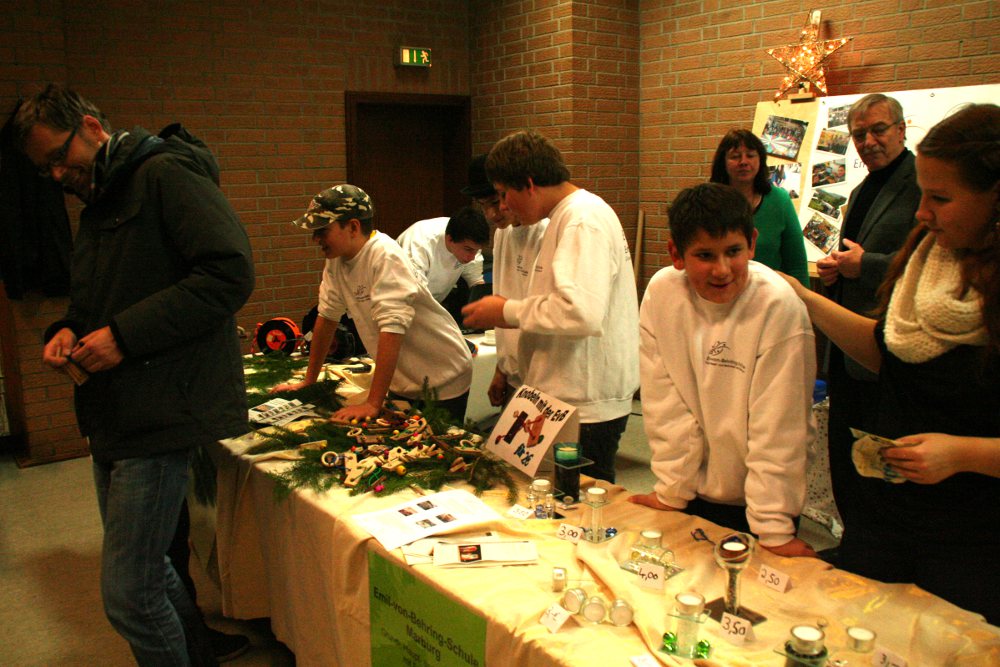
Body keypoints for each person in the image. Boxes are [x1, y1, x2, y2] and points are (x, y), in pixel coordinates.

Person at [16, 84, 255, 665]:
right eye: (45, 167)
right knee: (149, 571)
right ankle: (196, 650)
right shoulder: (101, 196)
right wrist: (67, 329)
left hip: (159, 410)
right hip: (115, 412)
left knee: (129, 594)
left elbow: (228, 274)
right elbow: (98, 297)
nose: (56, 174)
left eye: (58, 156)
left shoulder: (165, 175)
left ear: (92, 127)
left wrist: (123, 336)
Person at [781, 103, 1000, 622]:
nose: (921, 213)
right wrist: (804, 298)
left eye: (940, 198)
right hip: (889, 511)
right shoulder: (929, 255)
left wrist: (964, 454)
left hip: (972, 532)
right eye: (921, 193)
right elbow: (890, 353)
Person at [627, 183, 817, 558]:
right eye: (705, 255)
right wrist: (672, 491)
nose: (722, 270)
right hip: (693, 492)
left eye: (733, 251)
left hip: (761, 501)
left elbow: (780, 427)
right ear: (676, 254)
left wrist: (774, 526)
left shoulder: (778, 305)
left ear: (752, 243)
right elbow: (665, 405)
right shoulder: (663, 294)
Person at [462, 130, 639, 483]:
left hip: (586, 401)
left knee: (578, 500)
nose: (503, 207)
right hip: (555, 392)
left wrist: (506, 311)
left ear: (529, 184)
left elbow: (581, 313)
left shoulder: (584, 219)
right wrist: (507, 365)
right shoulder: (565, 216)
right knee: (539, 492)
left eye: (503, 195)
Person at [272, 184, 472, 424]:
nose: (316, 238)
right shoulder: (337, 260)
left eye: (323, 230)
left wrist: (373, 403)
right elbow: (326, 317)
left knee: (432, 444)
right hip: (403, 379)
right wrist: (309, 381)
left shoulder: (385, 256)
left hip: (442, 376)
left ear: (353, 227)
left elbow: (392, 331)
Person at [815, 94, 921, 537]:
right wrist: (835, 270)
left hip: (888, 351)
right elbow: (853, 257)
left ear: (901, 129)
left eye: (879, 130)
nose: (869, 141)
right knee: (844, 455)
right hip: (846, 352)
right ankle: (854, 541)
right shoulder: (860, 190)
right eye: (859, 134)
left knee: (881, 465)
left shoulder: (921, 183)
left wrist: (867, 265)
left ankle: (876, 549)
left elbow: (926, 261)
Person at [461, 153, 549, 408]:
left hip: (543, 380)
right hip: (514, 375)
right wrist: (502, 369)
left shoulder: (544, 231)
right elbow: (504, 300)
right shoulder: (503, 234)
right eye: (483, 205)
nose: (491, 214)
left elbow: (545, 314)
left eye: (495, 202)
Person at [709, 128, 810, 286]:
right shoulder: (710, 203)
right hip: (721, 291)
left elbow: (797, 265)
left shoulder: (780, 200)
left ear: (761, 160)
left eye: (750, 155)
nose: (743, 162)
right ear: (723, 163)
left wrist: (803, 298)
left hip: (771, 294)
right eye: (735, 156)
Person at [396, 206, 489, 322]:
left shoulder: (470, 240)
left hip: (433, 306)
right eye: (468, 250)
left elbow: (476, 283)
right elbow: (416, 296)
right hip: (401, 306)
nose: (472, 257)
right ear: (449, 239)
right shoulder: (419, 244)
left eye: (476, 250)